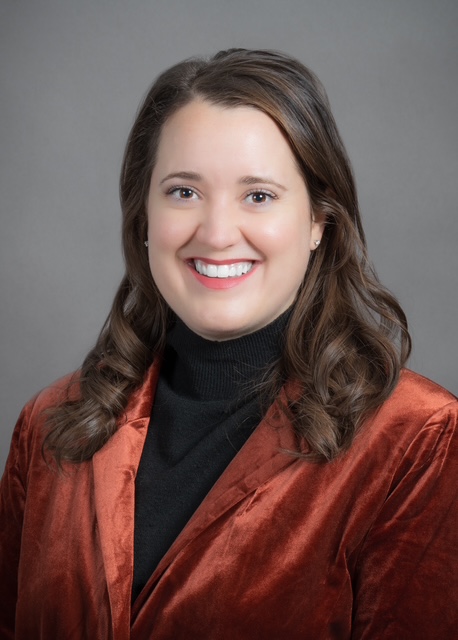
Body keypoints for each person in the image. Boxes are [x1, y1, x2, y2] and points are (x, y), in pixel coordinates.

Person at [0, 48, 456, 639]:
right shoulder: (49, 426)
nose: (216, 234)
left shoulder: (418, 442)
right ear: (144, 216)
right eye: (183, 192)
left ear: (320, 220)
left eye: (258, 196)